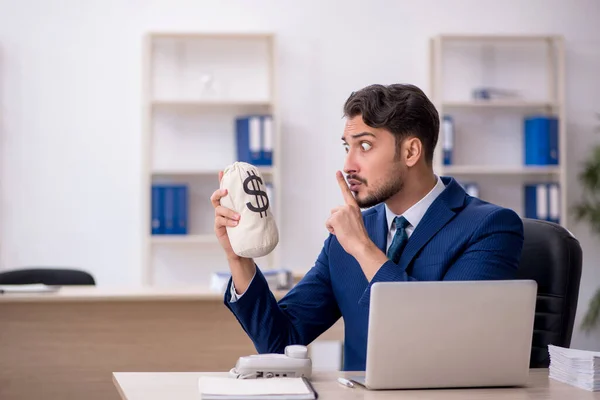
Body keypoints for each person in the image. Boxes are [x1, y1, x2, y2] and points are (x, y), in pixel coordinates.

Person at [210, 83, 524, 372]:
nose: (348, 165)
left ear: (410, 152)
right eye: (347, 146)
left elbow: (448, 341)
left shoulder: (490, 227)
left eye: (365, 146)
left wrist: (362, 248)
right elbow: (279, 342)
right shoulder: (347, 236)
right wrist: (238, 255)